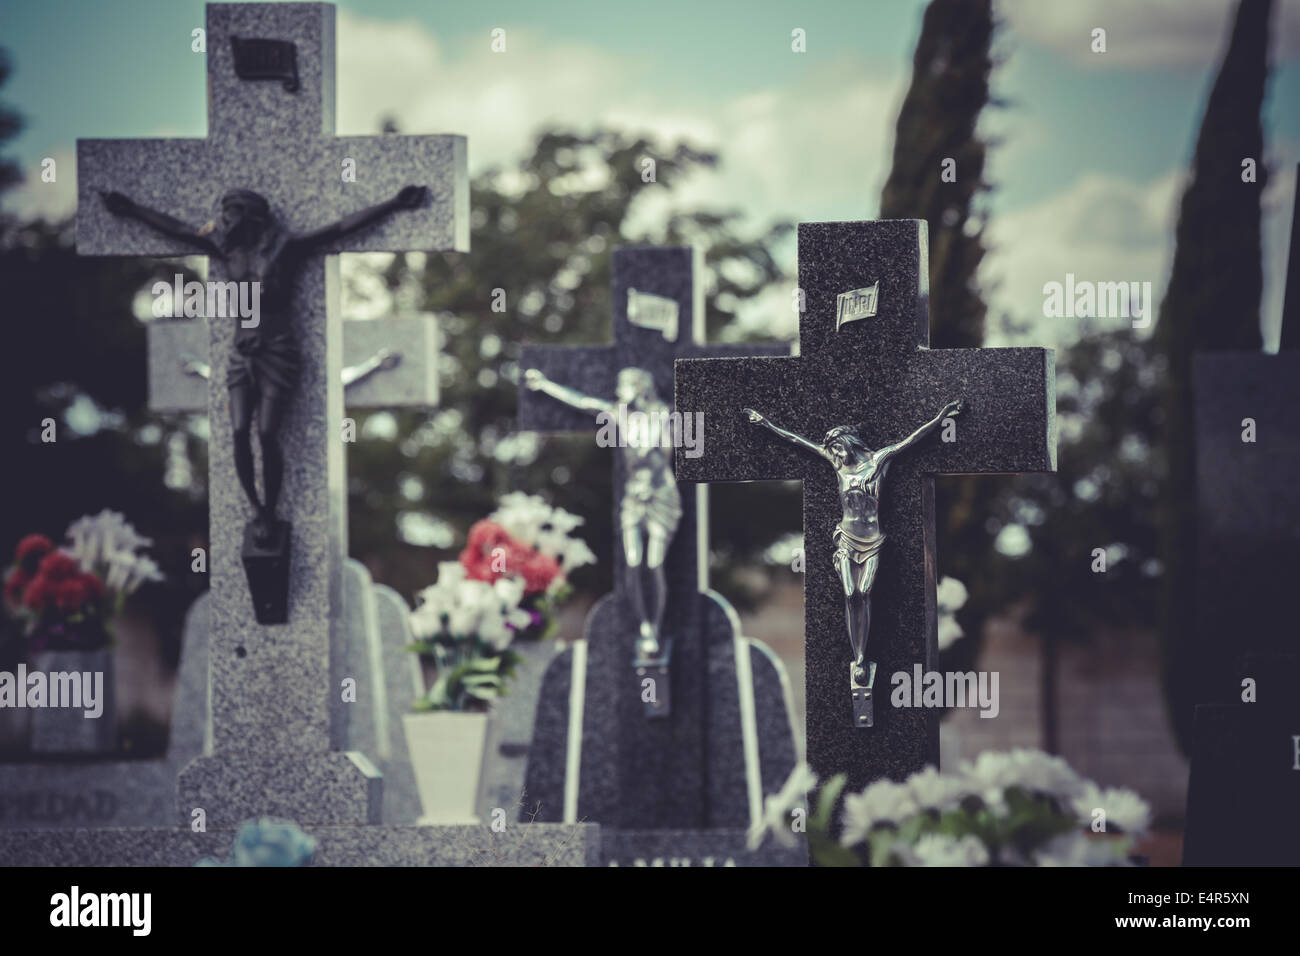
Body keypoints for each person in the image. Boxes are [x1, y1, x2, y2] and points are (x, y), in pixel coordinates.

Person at [102, 184, 427, 545]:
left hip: (277, 351)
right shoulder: (227, 249)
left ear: (251, 215)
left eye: (231, 212)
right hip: (242, 353)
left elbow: (341, 228)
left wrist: (393, 204)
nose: (223, 219)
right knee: (239, 431)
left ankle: (271, 508)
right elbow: (176, 229)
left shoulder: (285, 247)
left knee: (268, 433)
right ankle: (256, 507)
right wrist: (131, 208)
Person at [743, 399, 963, 684]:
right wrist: (766, 424)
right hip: (846, 539)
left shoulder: (878, 460)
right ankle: (858, 656)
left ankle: (863, 651)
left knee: (866, 591)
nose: (834, 453)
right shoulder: (838, 466)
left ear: (849, 443)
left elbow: (912, 439)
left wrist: (942, 415)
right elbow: (795, 440)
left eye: (837, 447)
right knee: (850, 594)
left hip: (873, 540)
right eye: (831, 449)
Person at [524, 366, 681, 662]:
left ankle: (654, 627)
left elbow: (664, 453)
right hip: (634, 497)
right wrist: (545, 385)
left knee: (654, 561)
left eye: (624, 385)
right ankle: (644, 624)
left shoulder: (664, 414)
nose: (619, 391)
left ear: (640, 386)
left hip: (661, 495)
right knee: (633, 563)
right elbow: (582, 402)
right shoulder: (618, 414)